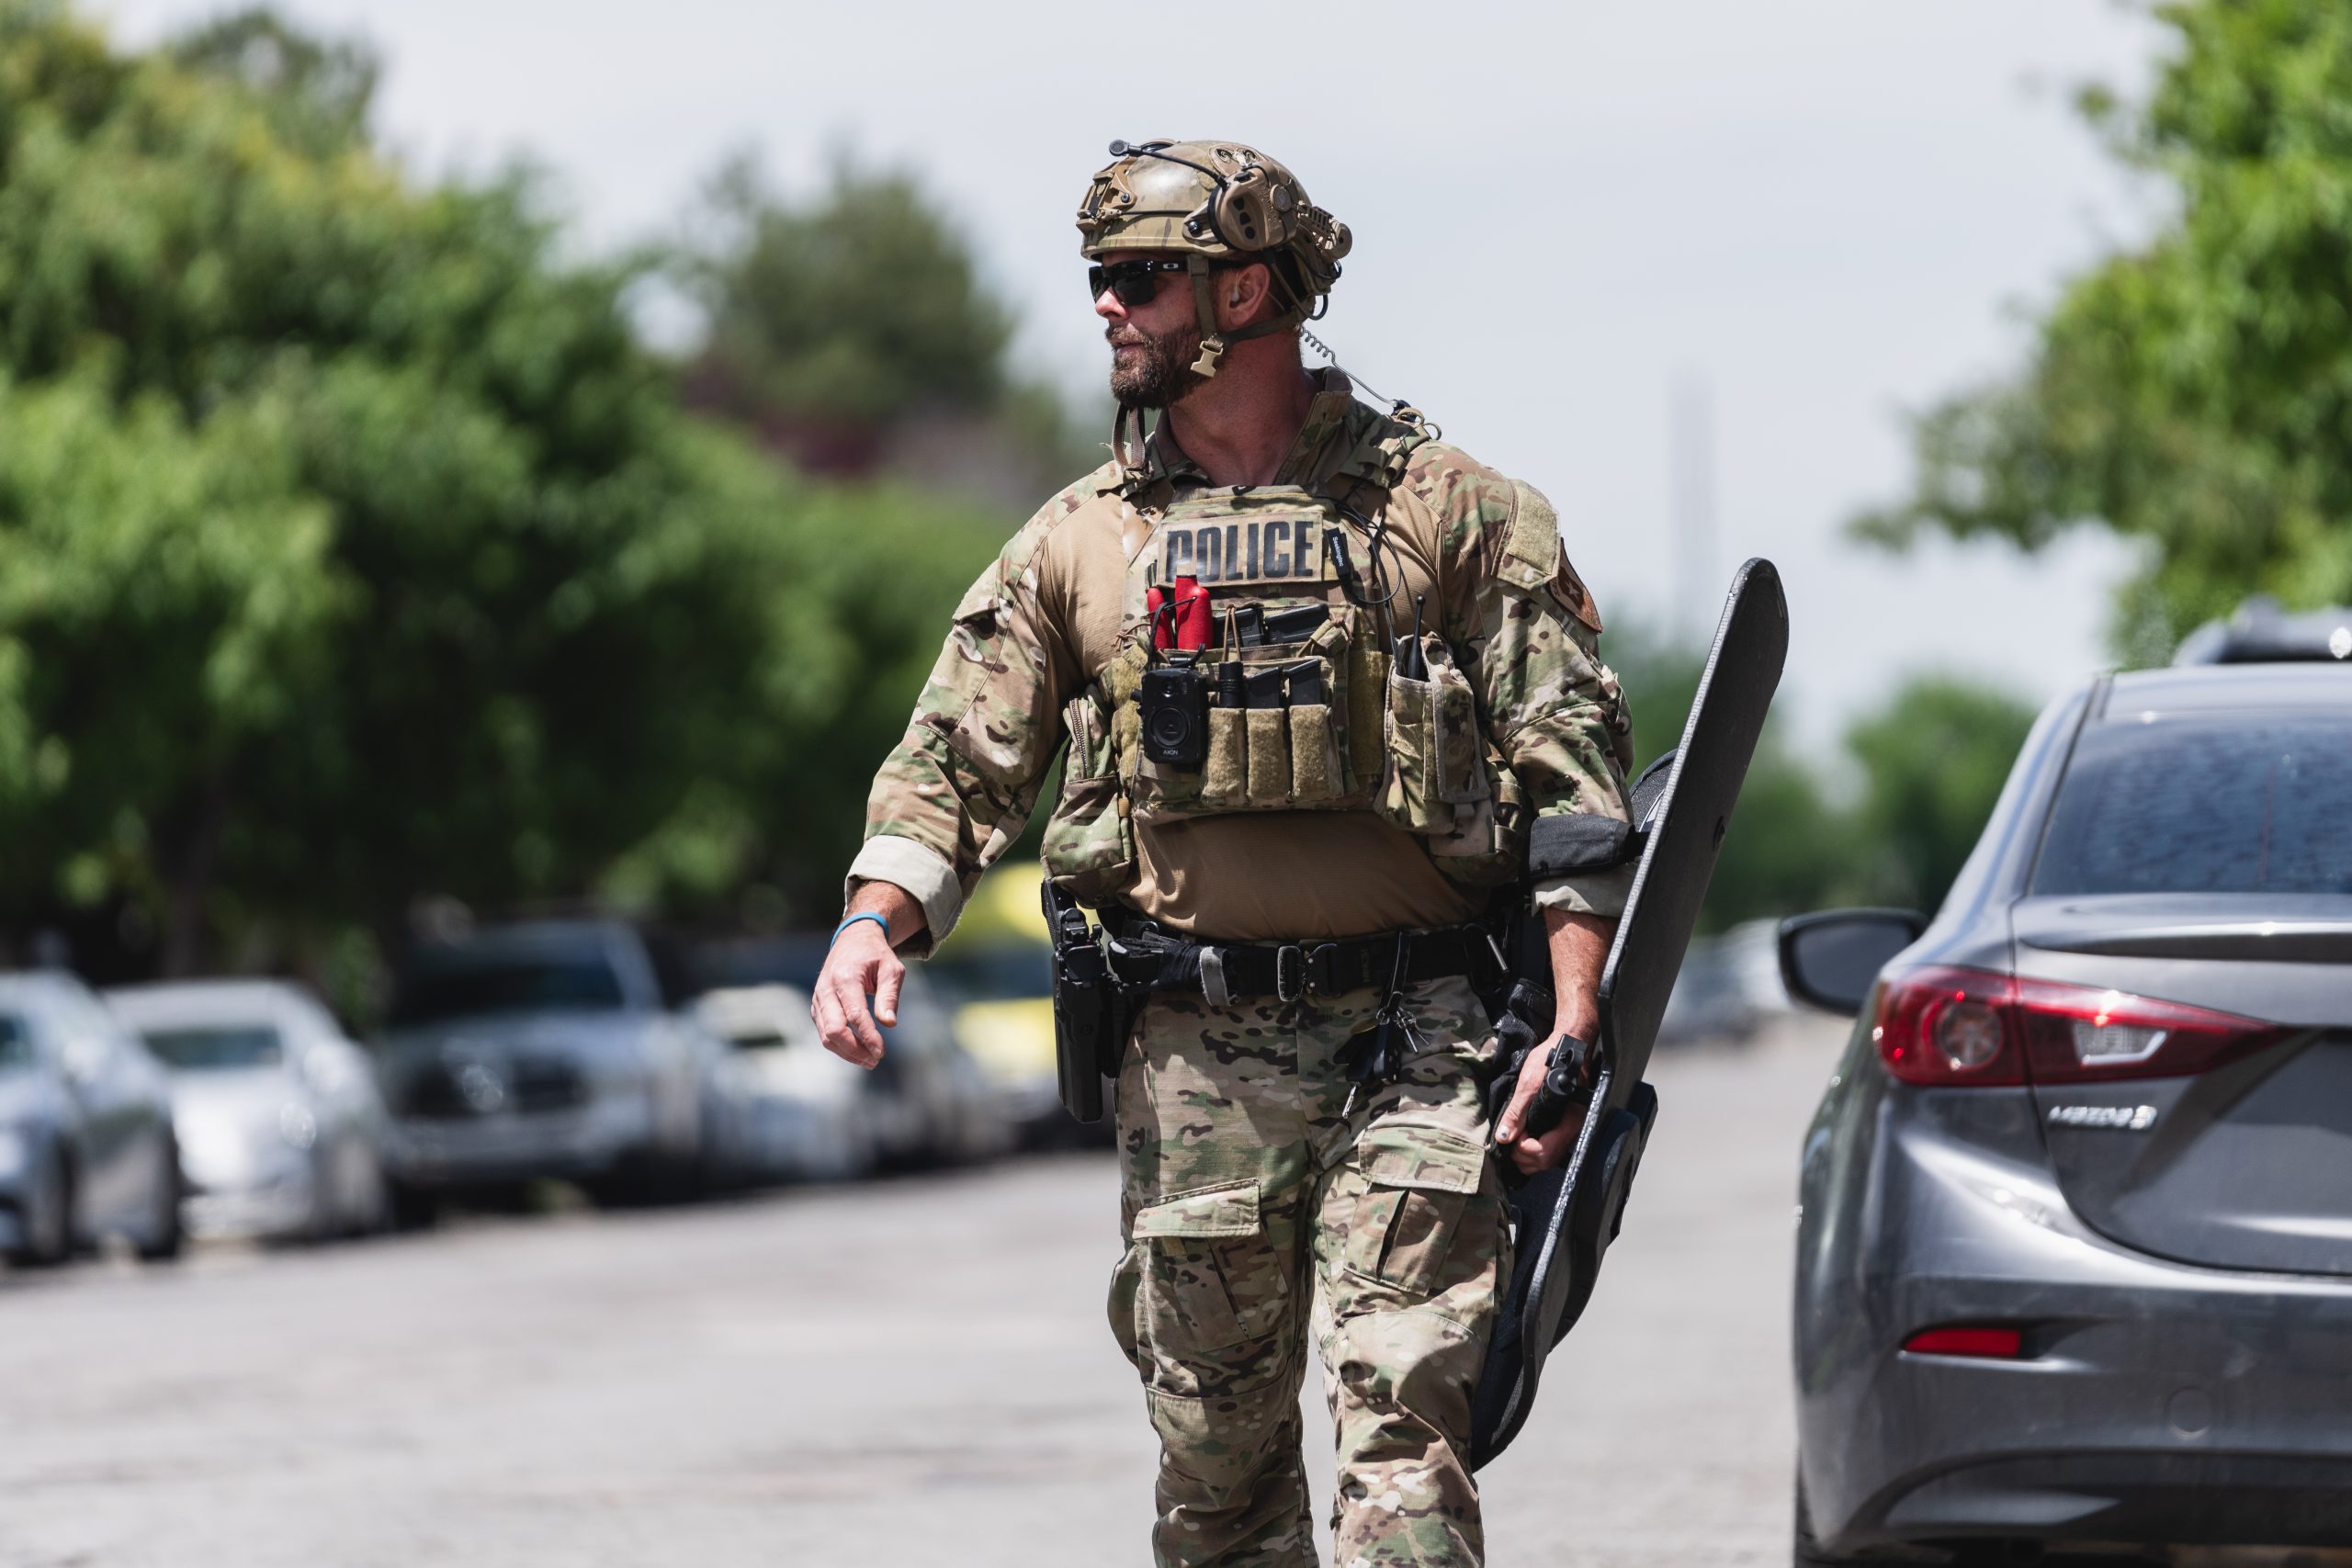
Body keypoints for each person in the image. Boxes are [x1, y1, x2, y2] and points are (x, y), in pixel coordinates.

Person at [812, 139, 1636, 1568]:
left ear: (1247, 291)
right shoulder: (1081, 546)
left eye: (1138, 278)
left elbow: (1570, 775)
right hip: (1196, 1063)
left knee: (1404, 1455)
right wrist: (874, 919)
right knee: (1217, 1481)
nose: (1106, 309)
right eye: (1099, 282)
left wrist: (1573, 1022)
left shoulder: (1448, 514)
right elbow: (959, 755)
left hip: (1417, 1044)